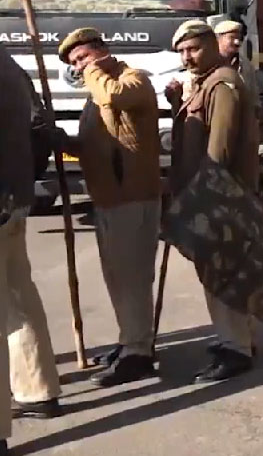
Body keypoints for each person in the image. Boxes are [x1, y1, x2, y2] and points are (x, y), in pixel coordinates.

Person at [57, 28, 162, 387]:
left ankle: (140, 353)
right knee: (116, 277)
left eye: (82, 57)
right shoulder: (95, 92)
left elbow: (115, 98)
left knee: (132, 278)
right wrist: (63, 142)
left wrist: (94, 71)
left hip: (133, 194)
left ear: (100, 50)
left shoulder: (132, 80)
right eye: (74, 64)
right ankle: (130, 341)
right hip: (106, 196)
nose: (79, 67)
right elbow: (94, 142)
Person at [166, 20, 263, 383]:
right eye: (181, 52)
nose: (187, 57)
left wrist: (201, 199)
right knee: (220, 272)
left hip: (219, 197)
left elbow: (217, 151)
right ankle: (238, 339)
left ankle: (235, 347)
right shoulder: (206, 84)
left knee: (223, 274)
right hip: (210, 194)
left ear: (210, 44)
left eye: (192, 49)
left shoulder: (222, 85)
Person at [0, 44, 64, 437]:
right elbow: (42, 127)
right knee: (17, 297)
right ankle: (37, 389)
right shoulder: (8, 62)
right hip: (15, 197)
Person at [214, 20, 263, 201]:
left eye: (239, 38)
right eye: (232, 38)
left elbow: (255, 98)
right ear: (219, 39)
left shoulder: (246, 67)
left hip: (245, 136)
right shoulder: (210, 65)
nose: (237, 42)